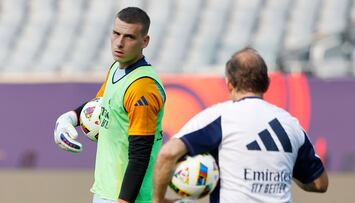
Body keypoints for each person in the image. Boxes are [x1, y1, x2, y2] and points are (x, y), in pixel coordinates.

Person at [153, 48, 328, 203]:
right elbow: (320, 183)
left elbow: (168, 154)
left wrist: (158, 200)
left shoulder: (220, 117)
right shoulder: (291, 124)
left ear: (229, 84)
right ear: (267, 83)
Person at [54, 7, 166, 203]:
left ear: (145, 41)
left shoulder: (143, 88)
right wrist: (69, 118)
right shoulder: (117, 68)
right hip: (105, 191)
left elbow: (140, 157)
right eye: (116, 33)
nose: (119, 43)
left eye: (129, 37)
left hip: (128, 198)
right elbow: (101, 105)